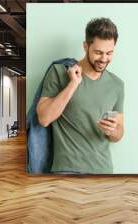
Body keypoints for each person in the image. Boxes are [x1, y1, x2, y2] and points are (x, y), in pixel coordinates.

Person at [36, 17, 124, 174]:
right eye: (98, 52)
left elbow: (119, 134)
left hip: (103, 171)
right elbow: (44, 119)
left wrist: (113, 131)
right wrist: (73, 85)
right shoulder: (59, 72)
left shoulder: (117, 85)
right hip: (66, 171)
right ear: (86, 46)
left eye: (109, 53)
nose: (104, 59)